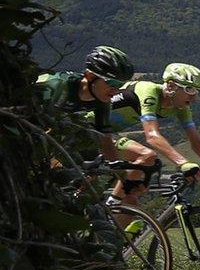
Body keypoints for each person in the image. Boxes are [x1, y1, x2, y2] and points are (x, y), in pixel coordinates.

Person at [107, 63, 200, 201]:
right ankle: (114, 203)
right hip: (91, 130)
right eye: (189, 90)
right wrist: (183, 163)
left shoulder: (180, 107)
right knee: (147, 156)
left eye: (197, 92)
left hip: (107, 134)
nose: (194, 98)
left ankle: (113, 210)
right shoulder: (148, 91)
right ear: (171, 85)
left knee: (131, 201)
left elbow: (197, 143)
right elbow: (152, 136)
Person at [37, 45, 134, 177]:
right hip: (23, 123)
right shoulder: (59, 86)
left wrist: (116, 165)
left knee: (89, 137)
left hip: (45, 131)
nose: (115, 90)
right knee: (69, 127)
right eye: (112, 83)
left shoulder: (102, 101)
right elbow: (44, 130)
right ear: (89, 76)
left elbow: (105, 137)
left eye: (120, 85)